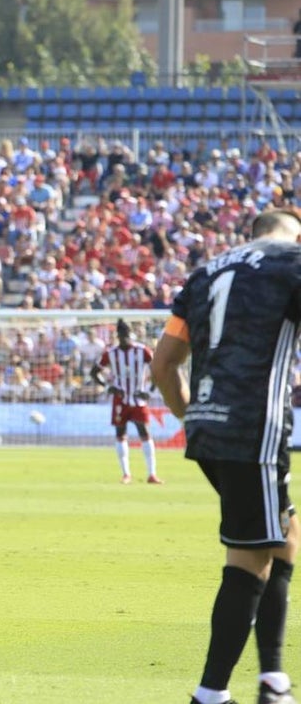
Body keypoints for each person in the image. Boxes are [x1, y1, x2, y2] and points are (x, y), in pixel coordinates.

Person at [151, 209, 300, 704]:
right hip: (253, 432)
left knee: (285, 537)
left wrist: (193, 416)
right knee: (251, 555)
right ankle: (211, 694)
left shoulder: (205, 273)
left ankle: (273, 679)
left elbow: (164, 364)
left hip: (207, 426)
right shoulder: (291, 264)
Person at [90, 319, 162, 484]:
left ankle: (152, 474)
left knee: (145, 433)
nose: (125, 338)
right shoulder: (111, 353)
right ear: (118, 336)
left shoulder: (142, 350)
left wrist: (149, 392)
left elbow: (158, 370)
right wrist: (108, 387)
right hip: (120, 400)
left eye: (127, 335)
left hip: (138, 399)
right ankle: (126, 474)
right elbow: (94, 372)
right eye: (122, 335)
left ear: (131, 334)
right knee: (120, 434)